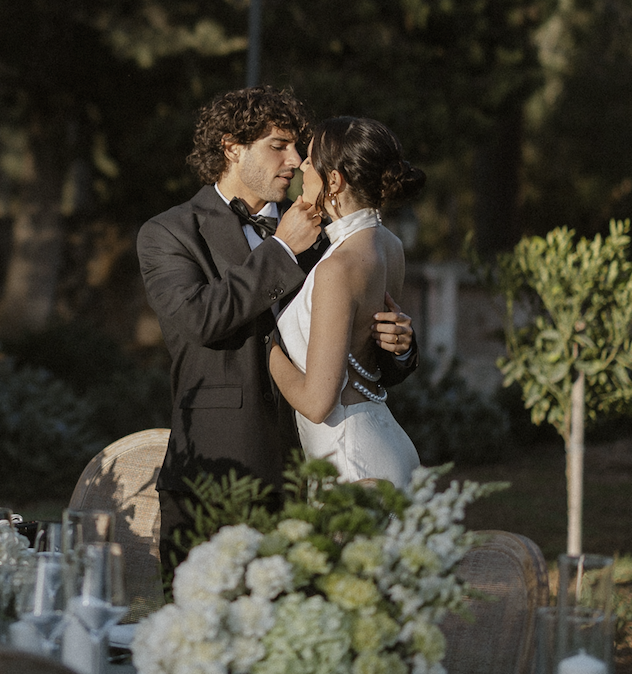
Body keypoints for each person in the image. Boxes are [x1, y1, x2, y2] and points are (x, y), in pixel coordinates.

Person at [138, 88, 416, 491]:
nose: (295, 161)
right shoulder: (170, 232)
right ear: (232, 149)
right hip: (221, 466)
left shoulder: (328, 230)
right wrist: (281, 250)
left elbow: (358, 355)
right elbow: (198, 319)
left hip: (314, 465)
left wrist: (400, 345)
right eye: (278, 146)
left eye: (299, 148)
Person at [270, 115, 426, 485]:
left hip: (349, 457)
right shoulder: (392, 247)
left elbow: (318, 402)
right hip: (388, 441)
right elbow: (368, 350)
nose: (301, 167)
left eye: (309, 160)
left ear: (334, 181)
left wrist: (263, 346)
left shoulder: (337, 268)